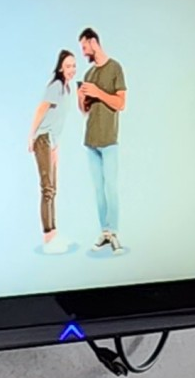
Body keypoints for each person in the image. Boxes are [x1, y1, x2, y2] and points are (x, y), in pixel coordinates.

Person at [78, 27, 127, 250]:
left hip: (109, 139)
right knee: (98, 190)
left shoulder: (115, 68)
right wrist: (81, 97)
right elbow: (84, 111)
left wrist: (98, 92)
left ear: (93, 42)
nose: (83, 52)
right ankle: (104, 232)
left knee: (111, 188)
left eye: (84, 47)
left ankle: (114, 232)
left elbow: (121, 103)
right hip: (91, 140)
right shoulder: (88, 75)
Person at [26, 48, 79, 252]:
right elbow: (41, 109)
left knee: (52, 189)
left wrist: (56, 146)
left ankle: (54, 235)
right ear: (60, 68)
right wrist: (31, 136)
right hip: (42, 139)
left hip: (51, 142)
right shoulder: (56, 86)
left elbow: (58, 120)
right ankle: (48, 238)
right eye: (68, 66)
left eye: (73, 66)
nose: (71, 69)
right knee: (47, 189)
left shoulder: (67, 88)